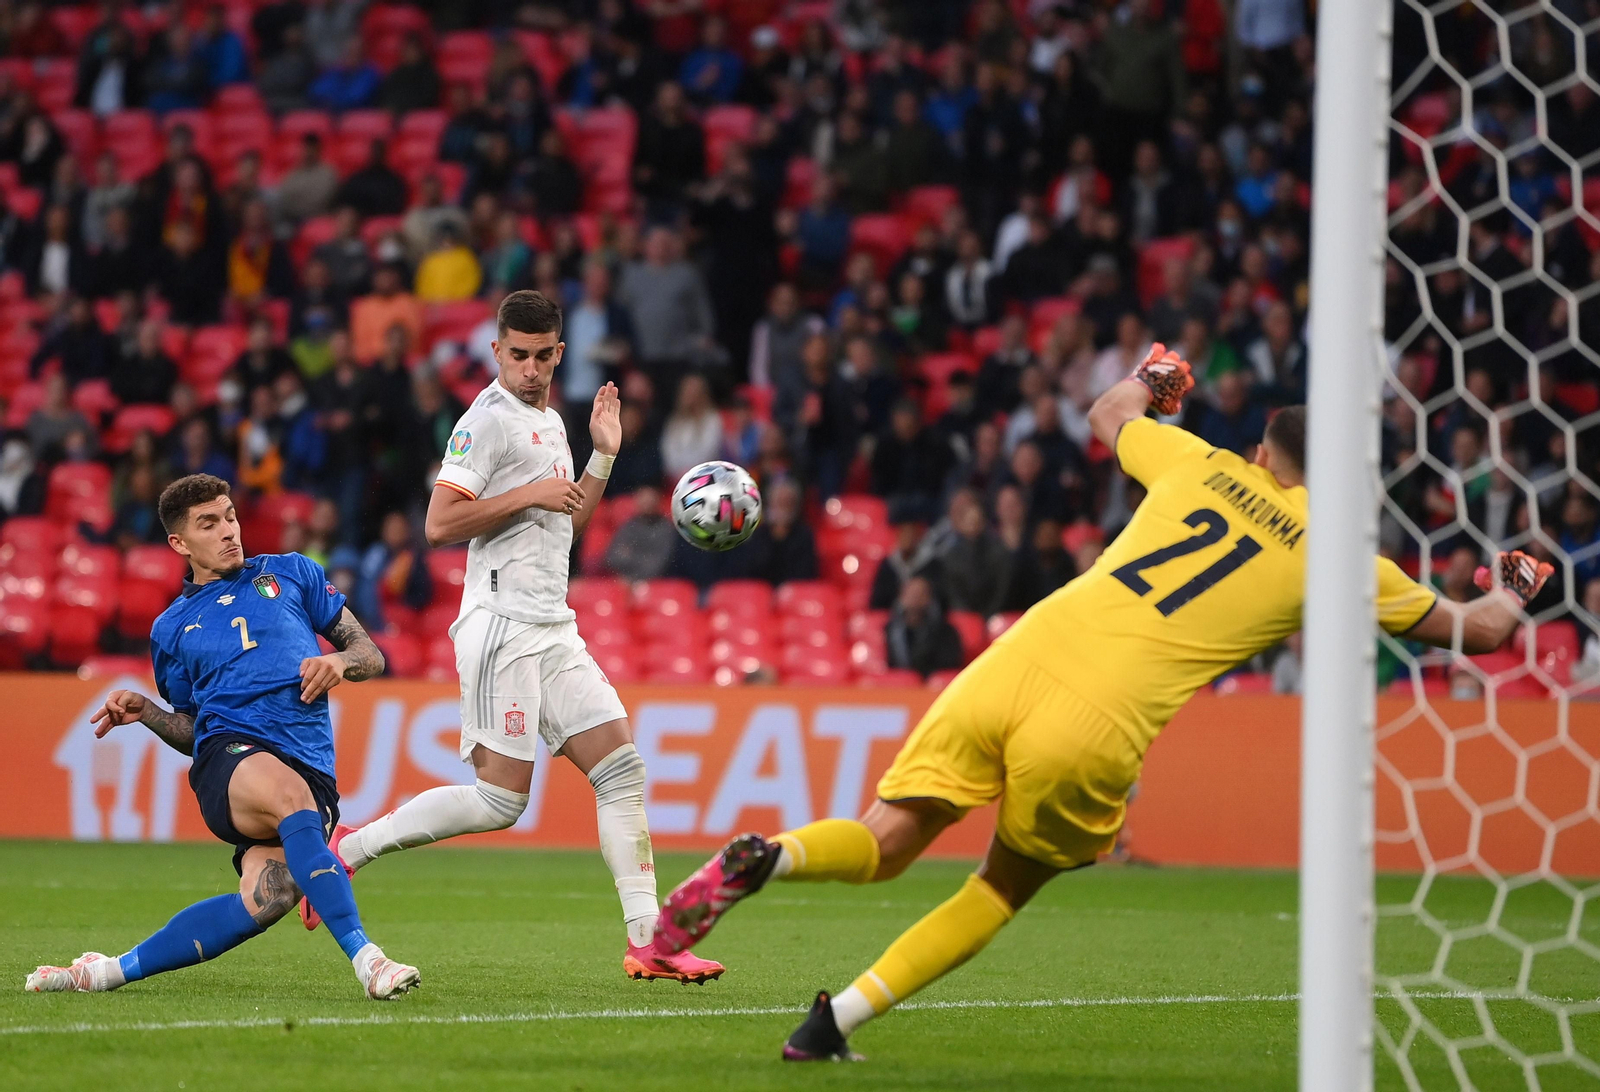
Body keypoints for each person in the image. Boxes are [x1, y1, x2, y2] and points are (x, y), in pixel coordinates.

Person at [649, 343, 1552, 1060]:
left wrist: (1153, 377)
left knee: (885, 840)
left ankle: (771, 858)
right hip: (1098, 724)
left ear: (1263, 454)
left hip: (1018, 658)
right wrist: (1516, 582)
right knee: (1001, 885)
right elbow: (1478, 632)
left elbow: (1106, 410)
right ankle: (831, 1023)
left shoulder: (1199, 465)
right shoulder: (1344, 560)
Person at [294, 291, 724, 984]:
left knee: (622, 770)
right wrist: (527, 494)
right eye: (516, 355)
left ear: (559, 354)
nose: (528, 368)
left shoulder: (552, 422)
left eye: (541, 356)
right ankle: (350, 847)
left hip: (553, 625)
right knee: (502, 801)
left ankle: (652, 942)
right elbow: (439, 523)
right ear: (497, 352)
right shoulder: (484, 423)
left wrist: (602, 460)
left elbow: (566, 525)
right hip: (499, 626)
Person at [26, 474, 419, 1001]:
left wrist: (339, 661)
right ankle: (369, 961)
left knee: (268, 897)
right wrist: (152, 714)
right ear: (179, 544)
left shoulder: (292, 573)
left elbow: (369, 653)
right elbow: (193, 730)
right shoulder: (171, 627)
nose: (229, 531)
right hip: (228, 758)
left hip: (310, 767)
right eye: (209, 524)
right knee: (287, 797)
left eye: (230, 516)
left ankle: (103, 973)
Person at [884, 574, 965, 679]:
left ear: (929, 598)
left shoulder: (946, 632)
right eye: (910, 594)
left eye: (920, 594)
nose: (915, 599)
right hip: (897, 689)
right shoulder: (888, 632)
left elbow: (950, 665)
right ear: (901, 596)